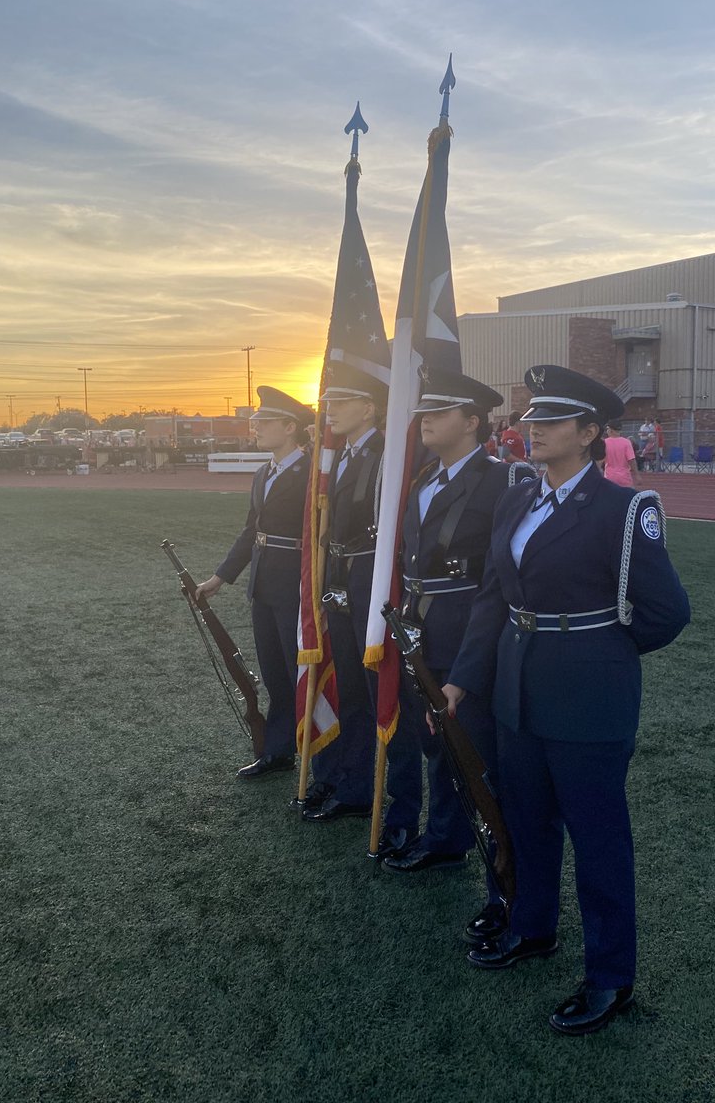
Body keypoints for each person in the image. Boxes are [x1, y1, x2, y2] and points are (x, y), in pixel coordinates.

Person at [443, 365, 690, 1036]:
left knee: (599, 839)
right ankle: (534, 928)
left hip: (588, 697)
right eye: (528, 421)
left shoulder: (621, 509)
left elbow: (667, 612)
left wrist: (600, 652)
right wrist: (464, 676)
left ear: (588, 434)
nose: (532, 431)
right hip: (517, 686)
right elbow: (495, 596)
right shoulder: (518, 499)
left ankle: (611, 978)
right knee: (525, 818)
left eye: (550, 422)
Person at [381, 367, 536, 915]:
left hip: (471, 628)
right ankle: (446, 840)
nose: (426, 419)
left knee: (474, 752)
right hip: (423, 626)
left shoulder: (502, 482)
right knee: (437, 744)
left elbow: (502, 579)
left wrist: (470, 661)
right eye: (426, 410)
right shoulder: (424, 479)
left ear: (473, 422)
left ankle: (506, 873)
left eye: (440, 412)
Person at [196, 387, 314, 778]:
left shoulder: (312, 471)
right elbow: (252, 530)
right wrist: (220, 577)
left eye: (265, 422)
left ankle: (321, 759)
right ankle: (278, 751)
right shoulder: (265, 471)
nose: (257, 427)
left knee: (302, 672)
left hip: (296, 585)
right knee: (275, 674)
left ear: (290, 426)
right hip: (263, 586)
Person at [302, 364, 388, 822]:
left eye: (341, 402)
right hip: (340, 577)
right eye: (328, 403)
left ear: (368, 407)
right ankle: (349, 783)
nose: (329, 411)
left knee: (375, 693)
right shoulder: (343, 455)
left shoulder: (385, 454)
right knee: (351, 689)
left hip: (367, 579)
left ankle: (371, 790)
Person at [602, 420, 639, 487]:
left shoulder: (604, 443)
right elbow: (631, 460)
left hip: (609, 477)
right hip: (624, 478)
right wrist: (637, 475)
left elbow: (600, 460)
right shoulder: (626, 442)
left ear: (611, 430)